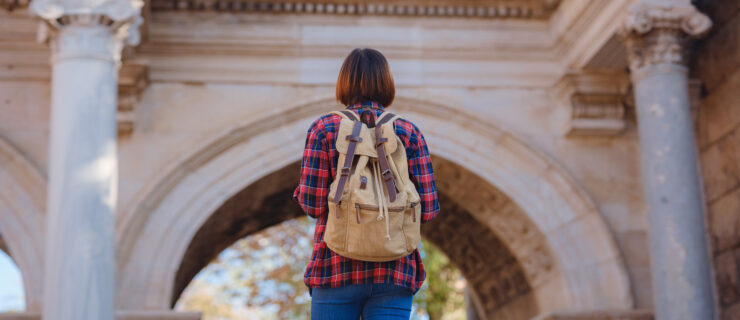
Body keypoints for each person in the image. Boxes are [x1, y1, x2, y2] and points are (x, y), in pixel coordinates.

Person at [293, 47, 440, 319]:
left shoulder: (323, 129)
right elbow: (428, 210)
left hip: (334, 268)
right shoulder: (409, 132)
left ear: (344, 82)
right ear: (387, 83)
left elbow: (312, 206)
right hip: (395, 272)